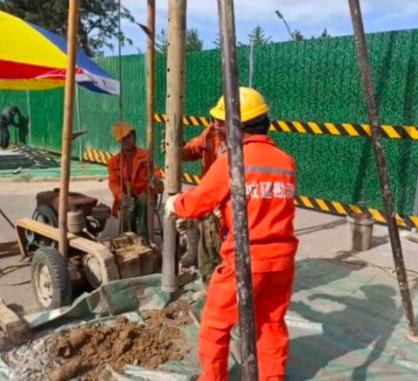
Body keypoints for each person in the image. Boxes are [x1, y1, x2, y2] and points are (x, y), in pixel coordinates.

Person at [165, 87, 298, 381]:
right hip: (282, 260)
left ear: (239, 123)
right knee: (272, 323)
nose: (218, 128)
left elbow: (199, 201)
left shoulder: (233, 160)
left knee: (215, 324)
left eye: (223, 122)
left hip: (246, 259)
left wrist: (175, 203)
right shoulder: (285, 161)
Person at [176, 103, 228, 283]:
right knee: (204, 232)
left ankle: (221, 279)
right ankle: (206, 274)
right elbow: (193, 149)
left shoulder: (242, 144)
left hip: (227, 201)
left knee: (220, 244)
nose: (216, 124)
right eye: (215, 120)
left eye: (221, 121)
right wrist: (178, 151)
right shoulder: (211, 133)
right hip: (210, 195)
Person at [108, 122, 163, 242]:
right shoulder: (114, 162)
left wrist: (155, 179)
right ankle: (127, 242)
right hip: (127, 196)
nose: (127, 140)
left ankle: (144, 241)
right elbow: (113, 183)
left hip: (146, 193)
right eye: (123, 139)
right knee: (127, 209)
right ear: (119, 142)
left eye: (129, 137)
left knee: (144, 201)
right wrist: (121, 196)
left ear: (134, 136)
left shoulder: (145, 155)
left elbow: (156, 171)